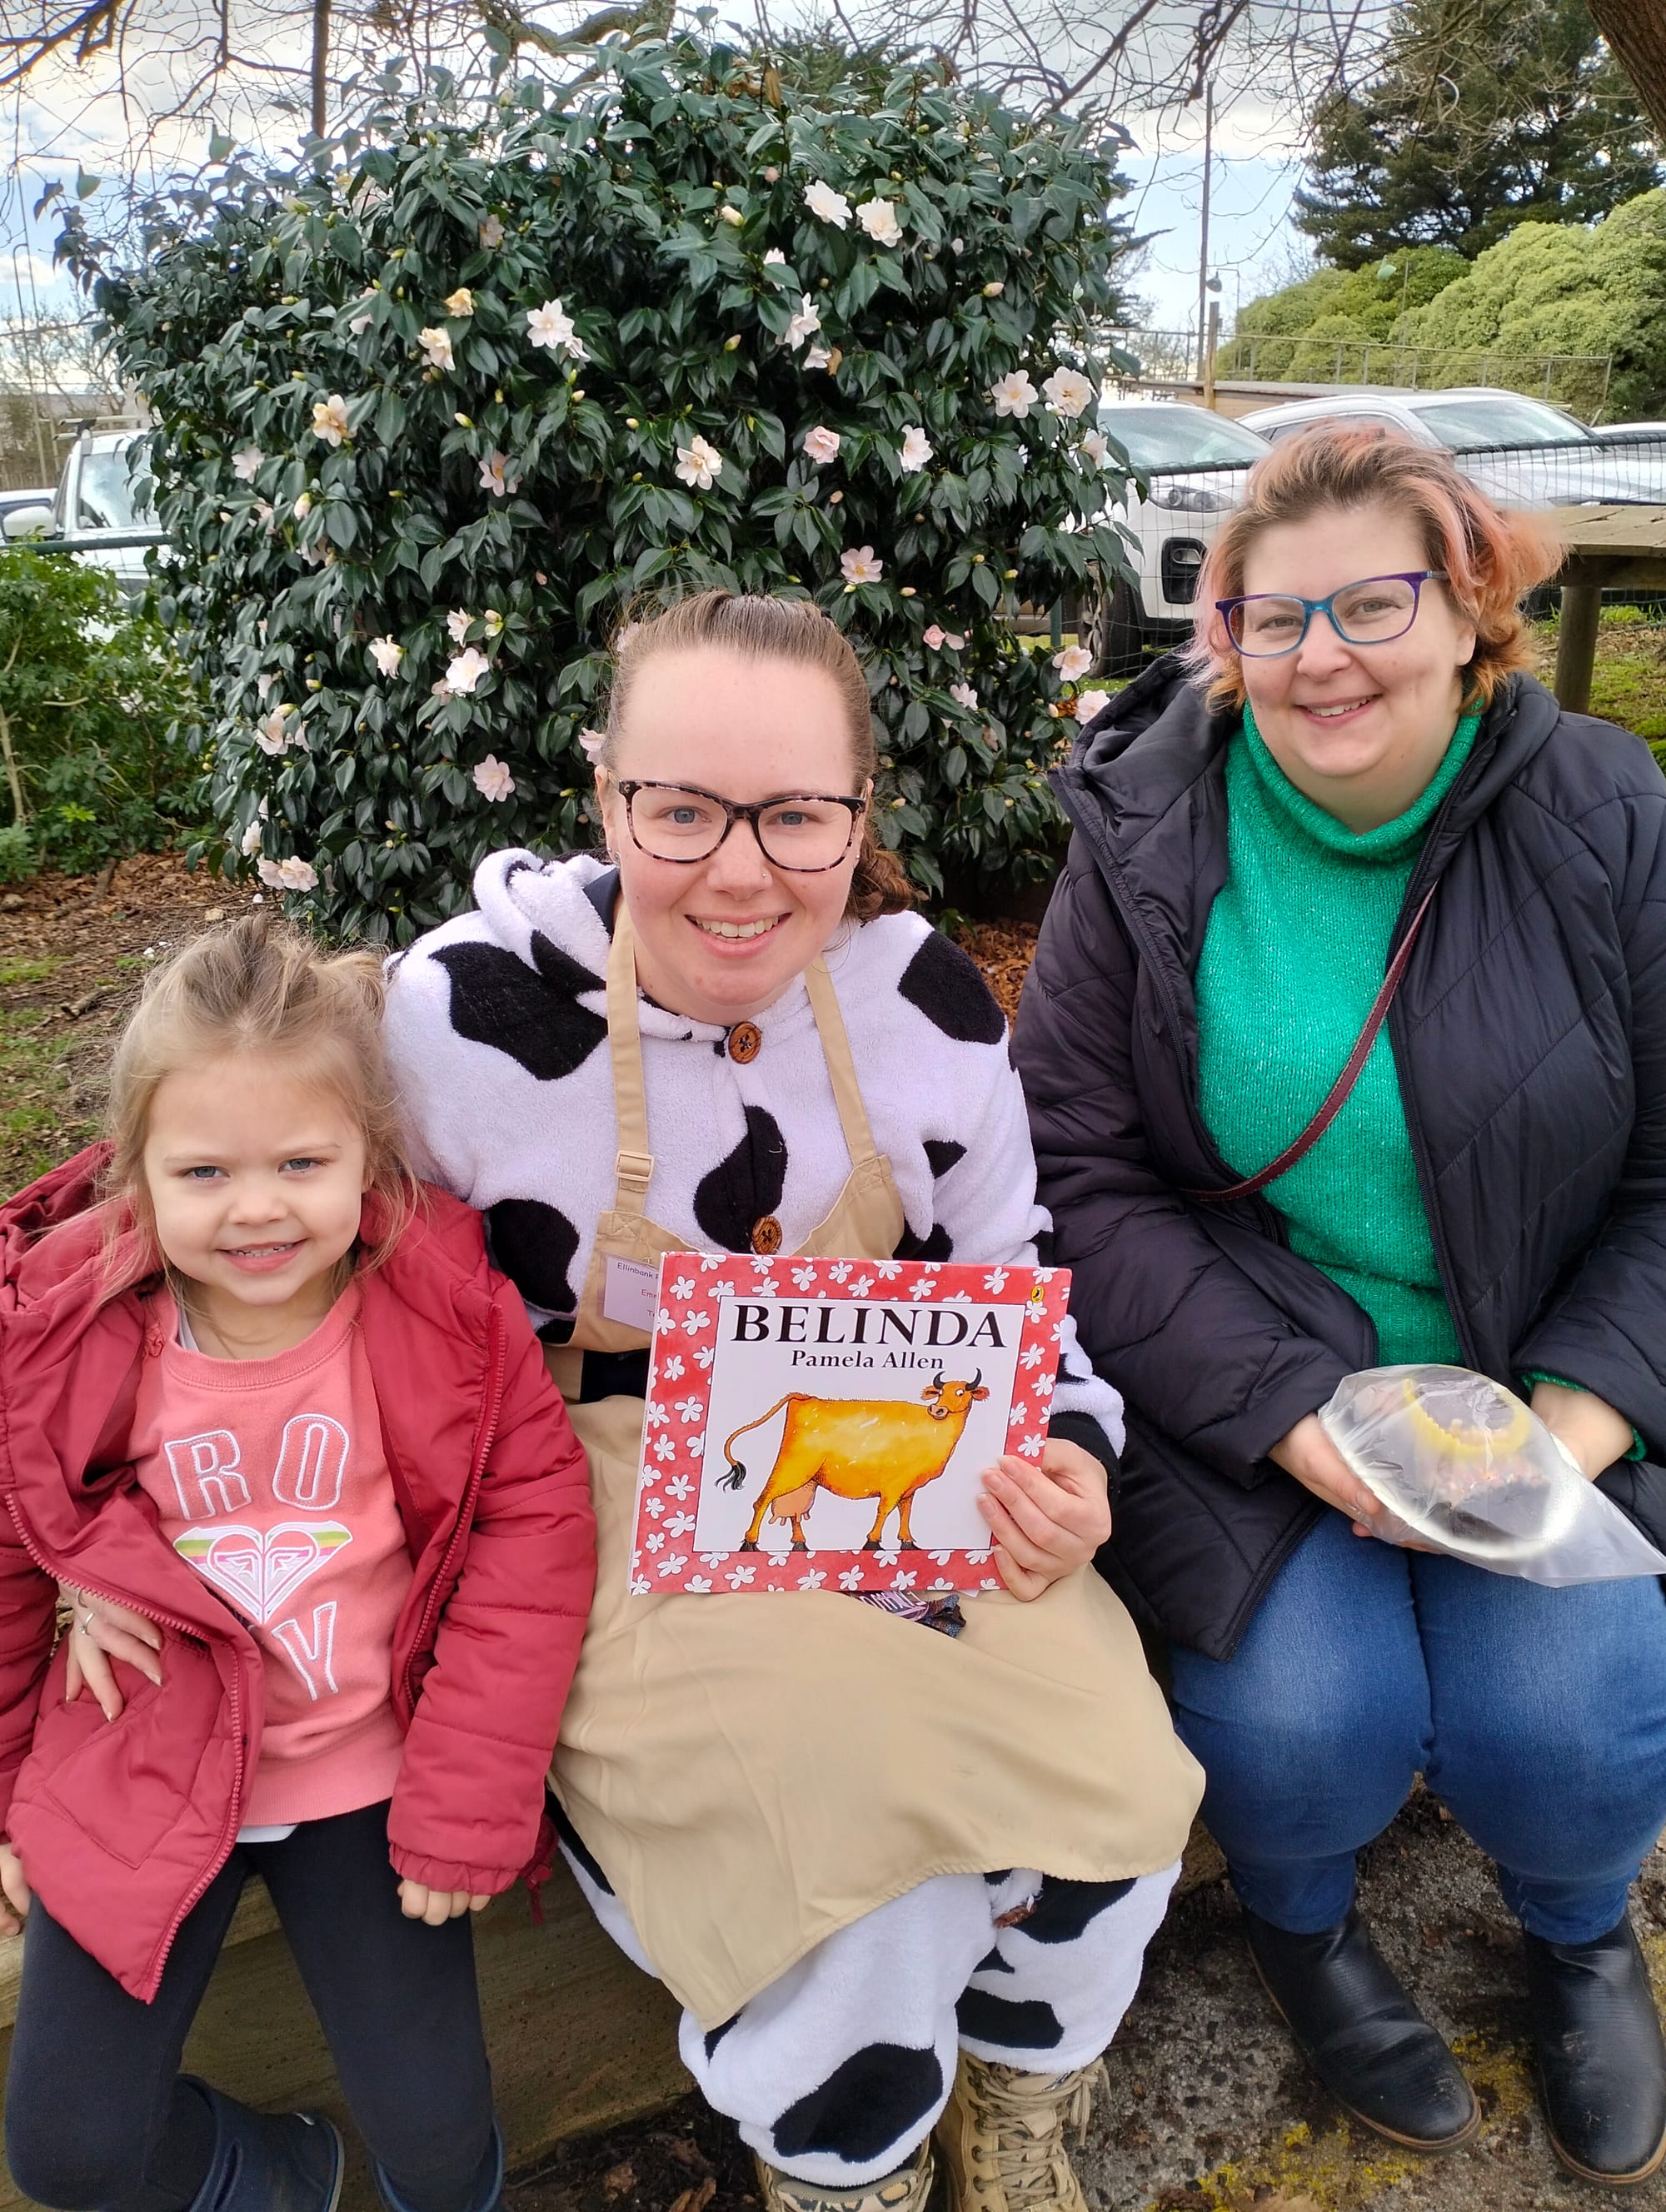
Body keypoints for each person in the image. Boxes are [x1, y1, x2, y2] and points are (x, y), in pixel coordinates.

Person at [374, 590, 1204, 2212]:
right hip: (581, 1480)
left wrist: (1065, 1449)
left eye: (794, 813)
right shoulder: (460, 1019)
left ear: (858, 813)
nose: (740, 870)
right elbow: (361, 1333)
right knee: (844, 1880)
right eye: (680, 808)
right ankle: (848, 2161)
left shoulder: (922, 1000)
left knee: (1110, 1790)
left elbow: (1017, 1273)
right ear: (606, 792)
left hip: (897, 1439)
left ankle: (1026, 2095)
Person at [1012, 426, 1666, 2186]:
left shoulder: (1606, 816)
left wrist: (1565, 1433)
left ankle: (1578, 1926)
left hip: (1531, 1366)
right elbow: (1072, 1166)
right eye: (1267, 614)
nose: (1319, 655)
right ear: (1219, 632)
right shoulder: (1143, 828)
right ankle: (1301, 1924)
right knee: (1300, 1714)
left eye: (1372, 603)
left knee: (1574, 1713)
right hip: (1253, 1368)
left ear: (1471, 609)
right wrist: (1289, 1417)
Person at [0, 918, 596, 2212]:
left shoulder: (444, 1311)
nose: (258, 1207)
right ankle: (266, 2173)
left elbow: (531, 1524)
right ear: (135, 1174)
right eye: (204, 1170)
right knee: (63, 2153)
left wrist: (471, 1788)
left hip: (368, 1782)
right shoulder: (75, 1336)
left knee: (439, 2145)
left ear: (368, 1156)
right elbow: (10, 1549)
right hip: (144, 1764)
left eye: (302, 1162)